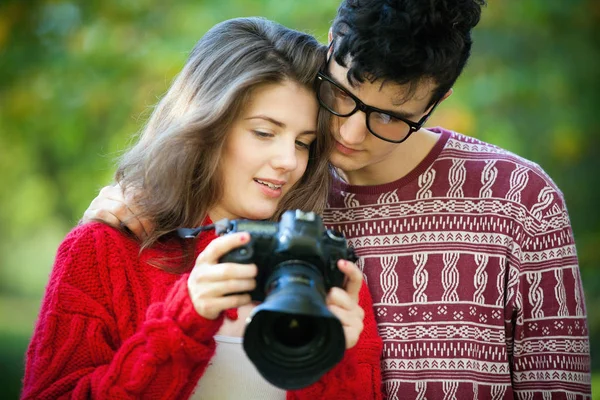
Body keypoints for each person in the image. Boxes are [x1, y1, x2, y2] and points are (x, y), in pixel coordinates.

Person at [80, 1, 592, 399]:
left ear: (438, 102)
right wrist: (132, 205)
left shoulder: (519, 198)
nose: (347, 131)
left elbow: (557, 384)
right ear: (331, 46)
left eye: (389, 116)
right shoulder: (280, 183)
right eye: (343, 91)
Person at [21, 17, 384, 400]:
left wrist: (335, 364)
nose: (288, 161)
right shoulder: (102, 249)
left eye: (303, 142)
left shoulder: (325, 273)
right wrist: (183, 319)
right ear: (205, 126)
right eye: (264, 132)